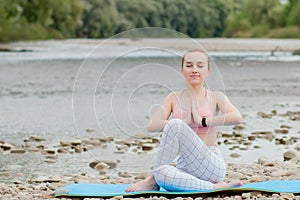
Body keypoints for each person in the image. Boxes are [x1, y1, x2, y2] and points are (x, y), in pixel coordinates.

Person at [126, 50, 243, 192]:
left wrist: (203, 121)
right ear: (182, 70)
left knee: (174, 124)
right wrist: (186, 122)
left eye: (200, 66)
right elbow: (152, 125)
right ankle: (212, 187)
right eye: (189, 66)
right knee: (162, 173)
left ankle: (151, 180)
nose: (194, 70)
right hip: (186, 166)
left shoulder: (216, 97)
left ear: (208, 71)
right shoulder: (173, 97)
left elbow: (237, 117)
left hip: (211, 164)